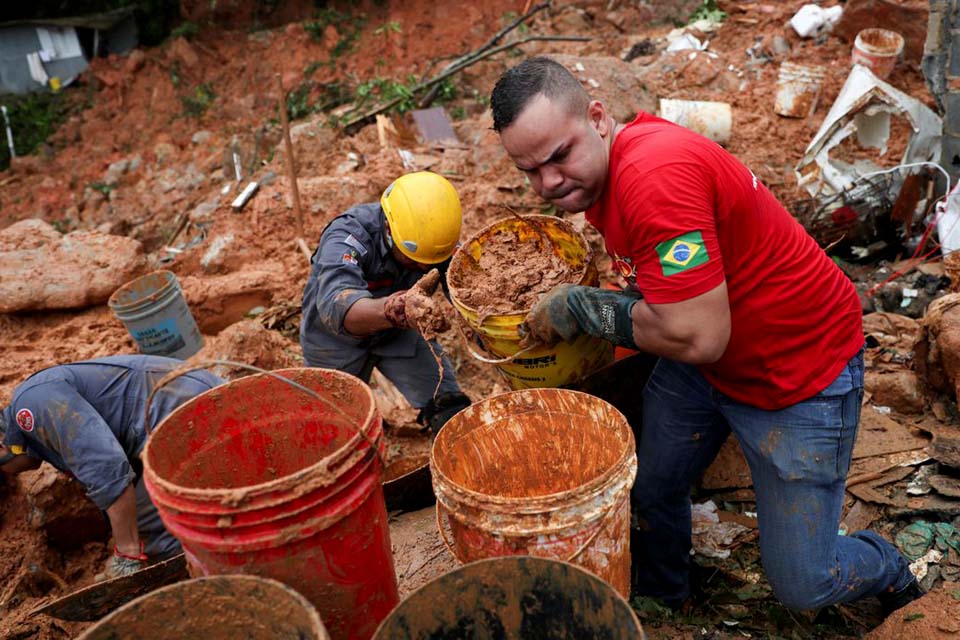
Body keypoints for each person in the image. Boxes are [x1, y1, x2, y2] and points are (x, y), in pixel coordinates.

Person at [489, 57, 921, 615]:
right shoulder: (607, 174)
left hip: (798, 370)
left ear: (597, 118)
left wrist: (585, 307)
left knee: (804, 586)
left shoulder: (653, 179)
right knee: (649, 483)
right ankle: (667, 594)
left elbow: (697, 336)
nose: (547, 183)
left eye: (559, 156)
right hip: (711, 355)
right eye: (529, 170)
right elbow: (683, 316)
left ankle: (886, 566)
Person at [0, 355, 223, 579]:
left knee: (150, 528)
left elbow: (108, 471)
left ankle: (205, 586)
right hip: (180, 407)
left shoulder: (30, 405)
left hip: (186, 408)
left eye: (8, 472)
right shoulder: (33, 420)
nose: (18, 474)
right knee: (141, 517)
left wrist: (127, 553)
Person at [300, 171, 471, 434]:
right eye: (414, 260)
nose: (424, 266)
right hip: (333, 342)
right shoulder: (348, 236)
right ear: (390, 231)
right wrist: (395, 309)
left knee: (448, 406)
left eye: (430, 260)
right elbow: (338, 304)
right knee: (335, 426)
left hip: (398, 335)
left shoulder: (435, 241)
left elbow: (467, 293)